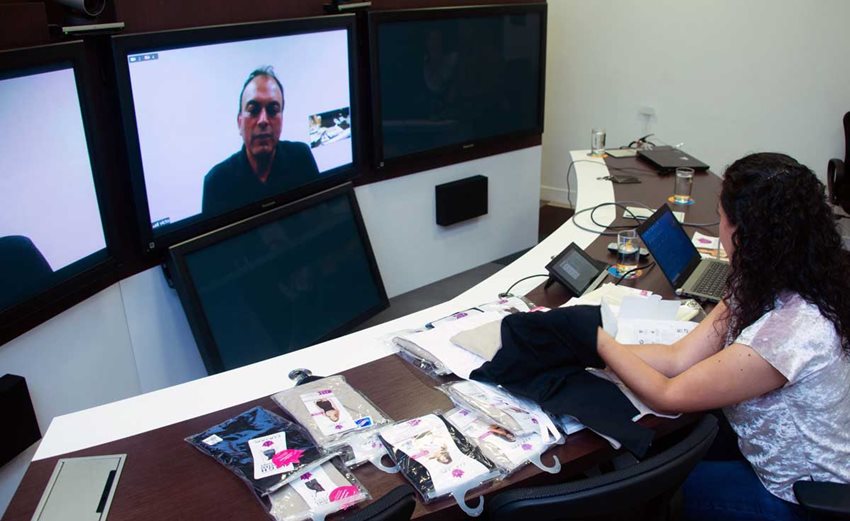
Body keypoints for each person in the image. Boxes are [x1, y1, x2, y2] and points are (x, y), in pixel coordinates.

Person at [596, 153, 850, 521]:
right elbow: (678, 358)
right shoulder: (772, 277)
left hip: (800, 494)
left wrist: (598, 340)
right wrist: (605, 348)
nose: (718, 229)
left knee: (668, 482)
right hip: (767, 450)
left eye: (721, 219)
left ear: (744, 233)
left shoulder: (792, 332)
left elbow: (669, 395)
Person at [202, 66, 320, 216]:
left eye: (273, 109)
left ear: (282, 120)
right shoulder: (216, 182)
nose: (263, 120)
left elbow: (320, 215)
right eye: (253, 110)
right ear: (239, 123)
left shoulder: (301, 157)